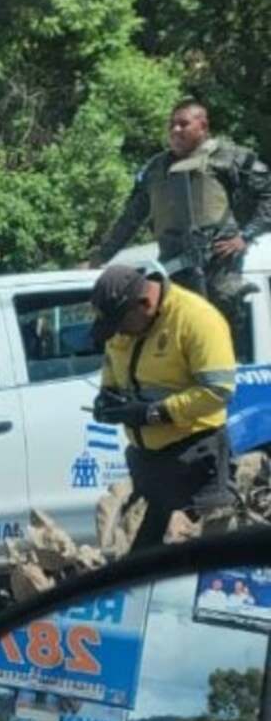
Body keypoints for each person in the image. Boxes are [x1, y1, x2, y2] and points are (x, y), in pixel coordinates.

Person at [85, 98, 271, 354]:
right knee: (172, 330)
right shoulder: (155, 169)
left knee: (222, 331)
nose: (175, 130)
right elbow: (131, 218)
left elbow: (268, 197)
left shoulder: (230, 158)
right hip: (173, 267)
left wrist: (245, 236)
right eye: (172, 125)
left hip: (218, 265)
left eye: (183, 124)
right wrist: (102, 256)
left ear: (203, 126)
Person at [89, 264, 237, 551]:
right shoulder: (124, 322)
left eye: (121, 324)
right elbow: (112, 363)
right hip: (147, 464)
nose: (119, 332)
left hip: (195, 459)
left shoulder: (196, 319)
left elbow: (218, 390)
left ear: (145, 304)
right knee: (144, 566)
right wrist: (107, 398)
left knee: (199, 565)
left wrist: (153, 413)